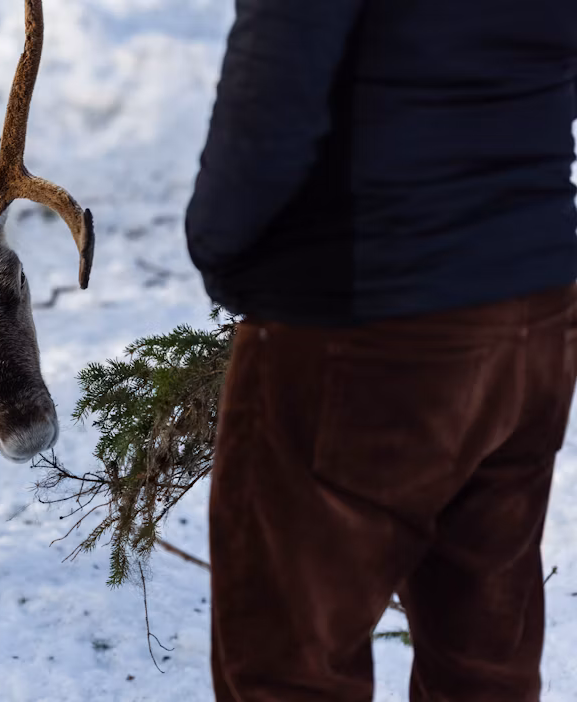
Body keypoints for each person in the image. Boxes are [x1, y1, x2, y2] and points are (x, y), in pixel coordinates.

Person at [185, 0, 577, 700]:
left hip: (362, 316)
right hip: (532, 308)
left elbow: (273, 84)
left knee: (291, 668)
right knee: (484, 663)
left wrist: (221, 246)